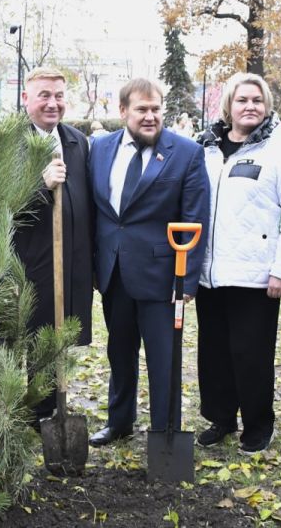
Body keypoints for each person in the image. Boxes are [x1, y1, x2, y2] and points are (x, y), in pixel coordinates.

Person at [195, 73, 281, 454]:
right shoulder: (207, 149)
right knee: (213, 352)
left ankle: (258, 424)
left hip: (256, 275)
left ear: (267, 106)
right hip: (210, 273)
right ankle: (221, 417)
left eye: (257, 100)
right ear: (228, 106)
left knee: (251, 354)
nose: (250, 106)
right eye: (242, 100)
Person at [87, 78, 210, 446]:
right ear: (123, 111)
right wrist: (93, 265)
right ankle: (119, 421)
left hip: (163, 278)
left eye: (156, 108)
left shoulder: (186, 153)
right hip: (114, 273)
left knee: (163, 360)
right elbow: (98, 212)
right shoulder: (100, 148)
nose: (150, 116)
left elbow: (195, 219)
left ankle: (164, 433)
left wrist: (186, 281)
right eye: (141, 109)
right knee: (119, 353)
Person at [12, 67, 93, 426]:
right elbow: (3, 206)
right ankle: (32, 410)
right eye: (44, 95)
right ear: (26, 98)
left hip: (70, 257)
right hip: (29, 260)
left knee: (58, 334)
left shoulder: (76, 141)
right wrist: (40, 185)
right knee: (31, 335)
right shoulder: (10, 141)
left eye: (58, 96)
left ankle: (49, 408)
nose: (52, 103)